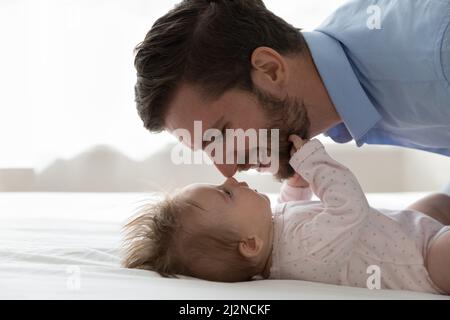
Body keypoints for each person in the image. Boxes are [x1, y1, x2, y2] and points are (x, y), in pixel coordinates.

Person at [134, 0, 450, 182]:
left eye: (219, 135)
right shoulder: (333, 90)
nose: (227, 170)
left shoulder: (437, 55)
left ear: (271, 70)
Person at [122, 136, 450, 294]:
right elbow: (350, 209)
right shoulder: (303, 251)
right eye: (226, 193)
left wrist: (295, 186)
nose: (232, 178)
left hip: (407, 234)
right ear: (250, 244)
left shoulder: (273, 236)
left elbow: (288, 212)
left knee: (434, 202)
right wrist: (313, 161)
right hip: (422, 264)